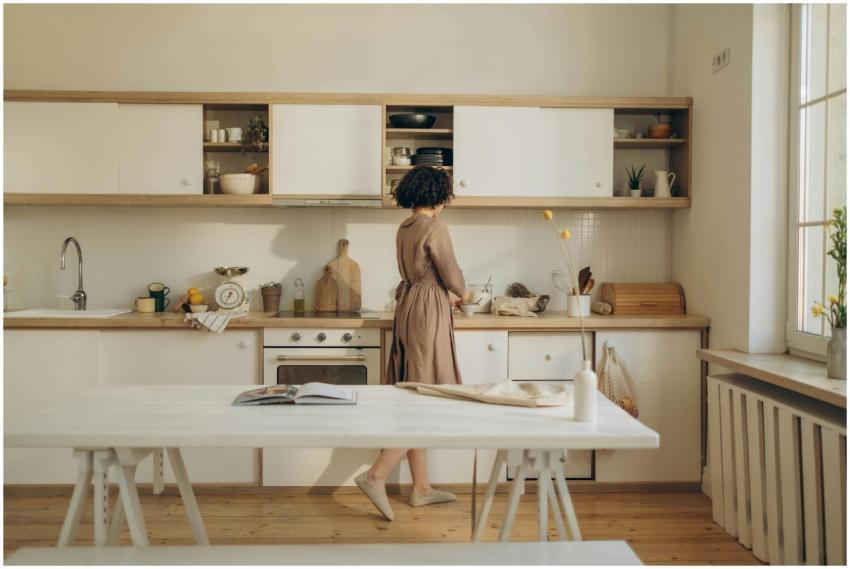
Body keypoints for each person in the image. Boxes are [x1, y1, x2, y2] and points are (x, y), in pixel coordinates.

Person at [355, 166, 467, 521]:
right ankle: (376, 474)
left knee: (414, 395)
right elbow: (451, 272)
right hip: (428, 311)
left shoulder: (404, 226)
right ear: (439, 194)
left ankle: (421, 488)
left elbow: (421, 272)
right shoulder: (435, 226)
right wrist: (462, 293)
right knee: (428, 395)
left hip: (409, 307)